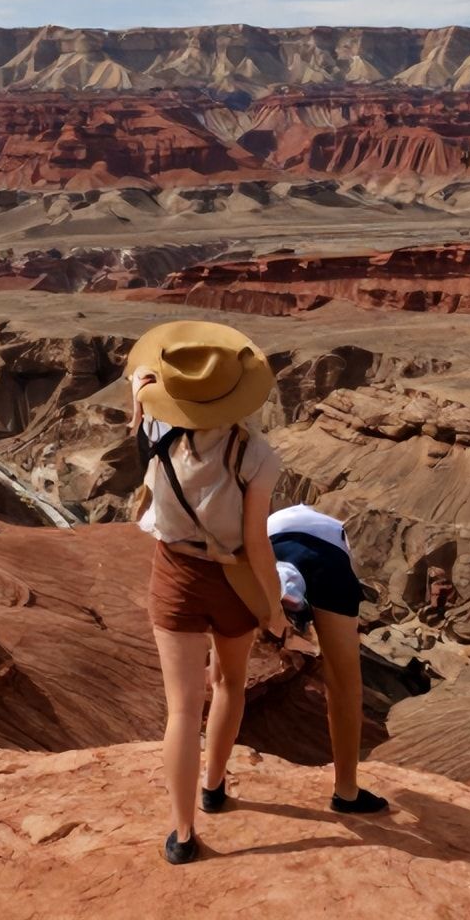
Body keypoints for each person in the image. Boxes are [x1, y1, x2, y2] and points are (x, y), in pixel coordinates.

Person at [128, 320, 288, 866]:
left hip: (174, 574)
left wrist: (142, 390)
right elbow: (256, 543)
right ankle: (215, 787)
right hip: (233, 580)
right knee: (231, 684)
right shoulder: (258, 455)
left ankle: (182, 834)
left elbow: (142, 395)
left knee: (180, 710)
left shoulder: (156, 431)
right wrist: (274, 609)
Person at [267, 504, 389, 815]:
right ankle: (346, 792)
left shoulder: (278, 515)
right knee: (344, 682)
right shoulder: (340, 538)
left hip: (270, 543)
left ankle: (213, 783)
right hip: (329, 556)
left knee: (230, 675)